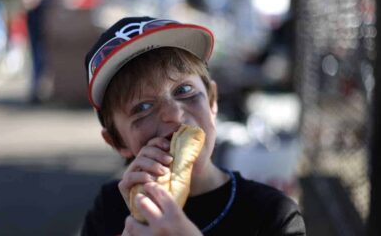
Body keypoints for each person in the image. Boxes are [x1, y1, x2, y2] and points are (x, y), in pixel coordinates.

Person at [81, 16, 306, 235]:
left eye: (184, 90)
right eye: (142, 108)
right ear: (117, 141)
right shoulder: (110, 209)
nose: (174, 114)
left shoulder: (272, 213)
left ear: (211, 101)